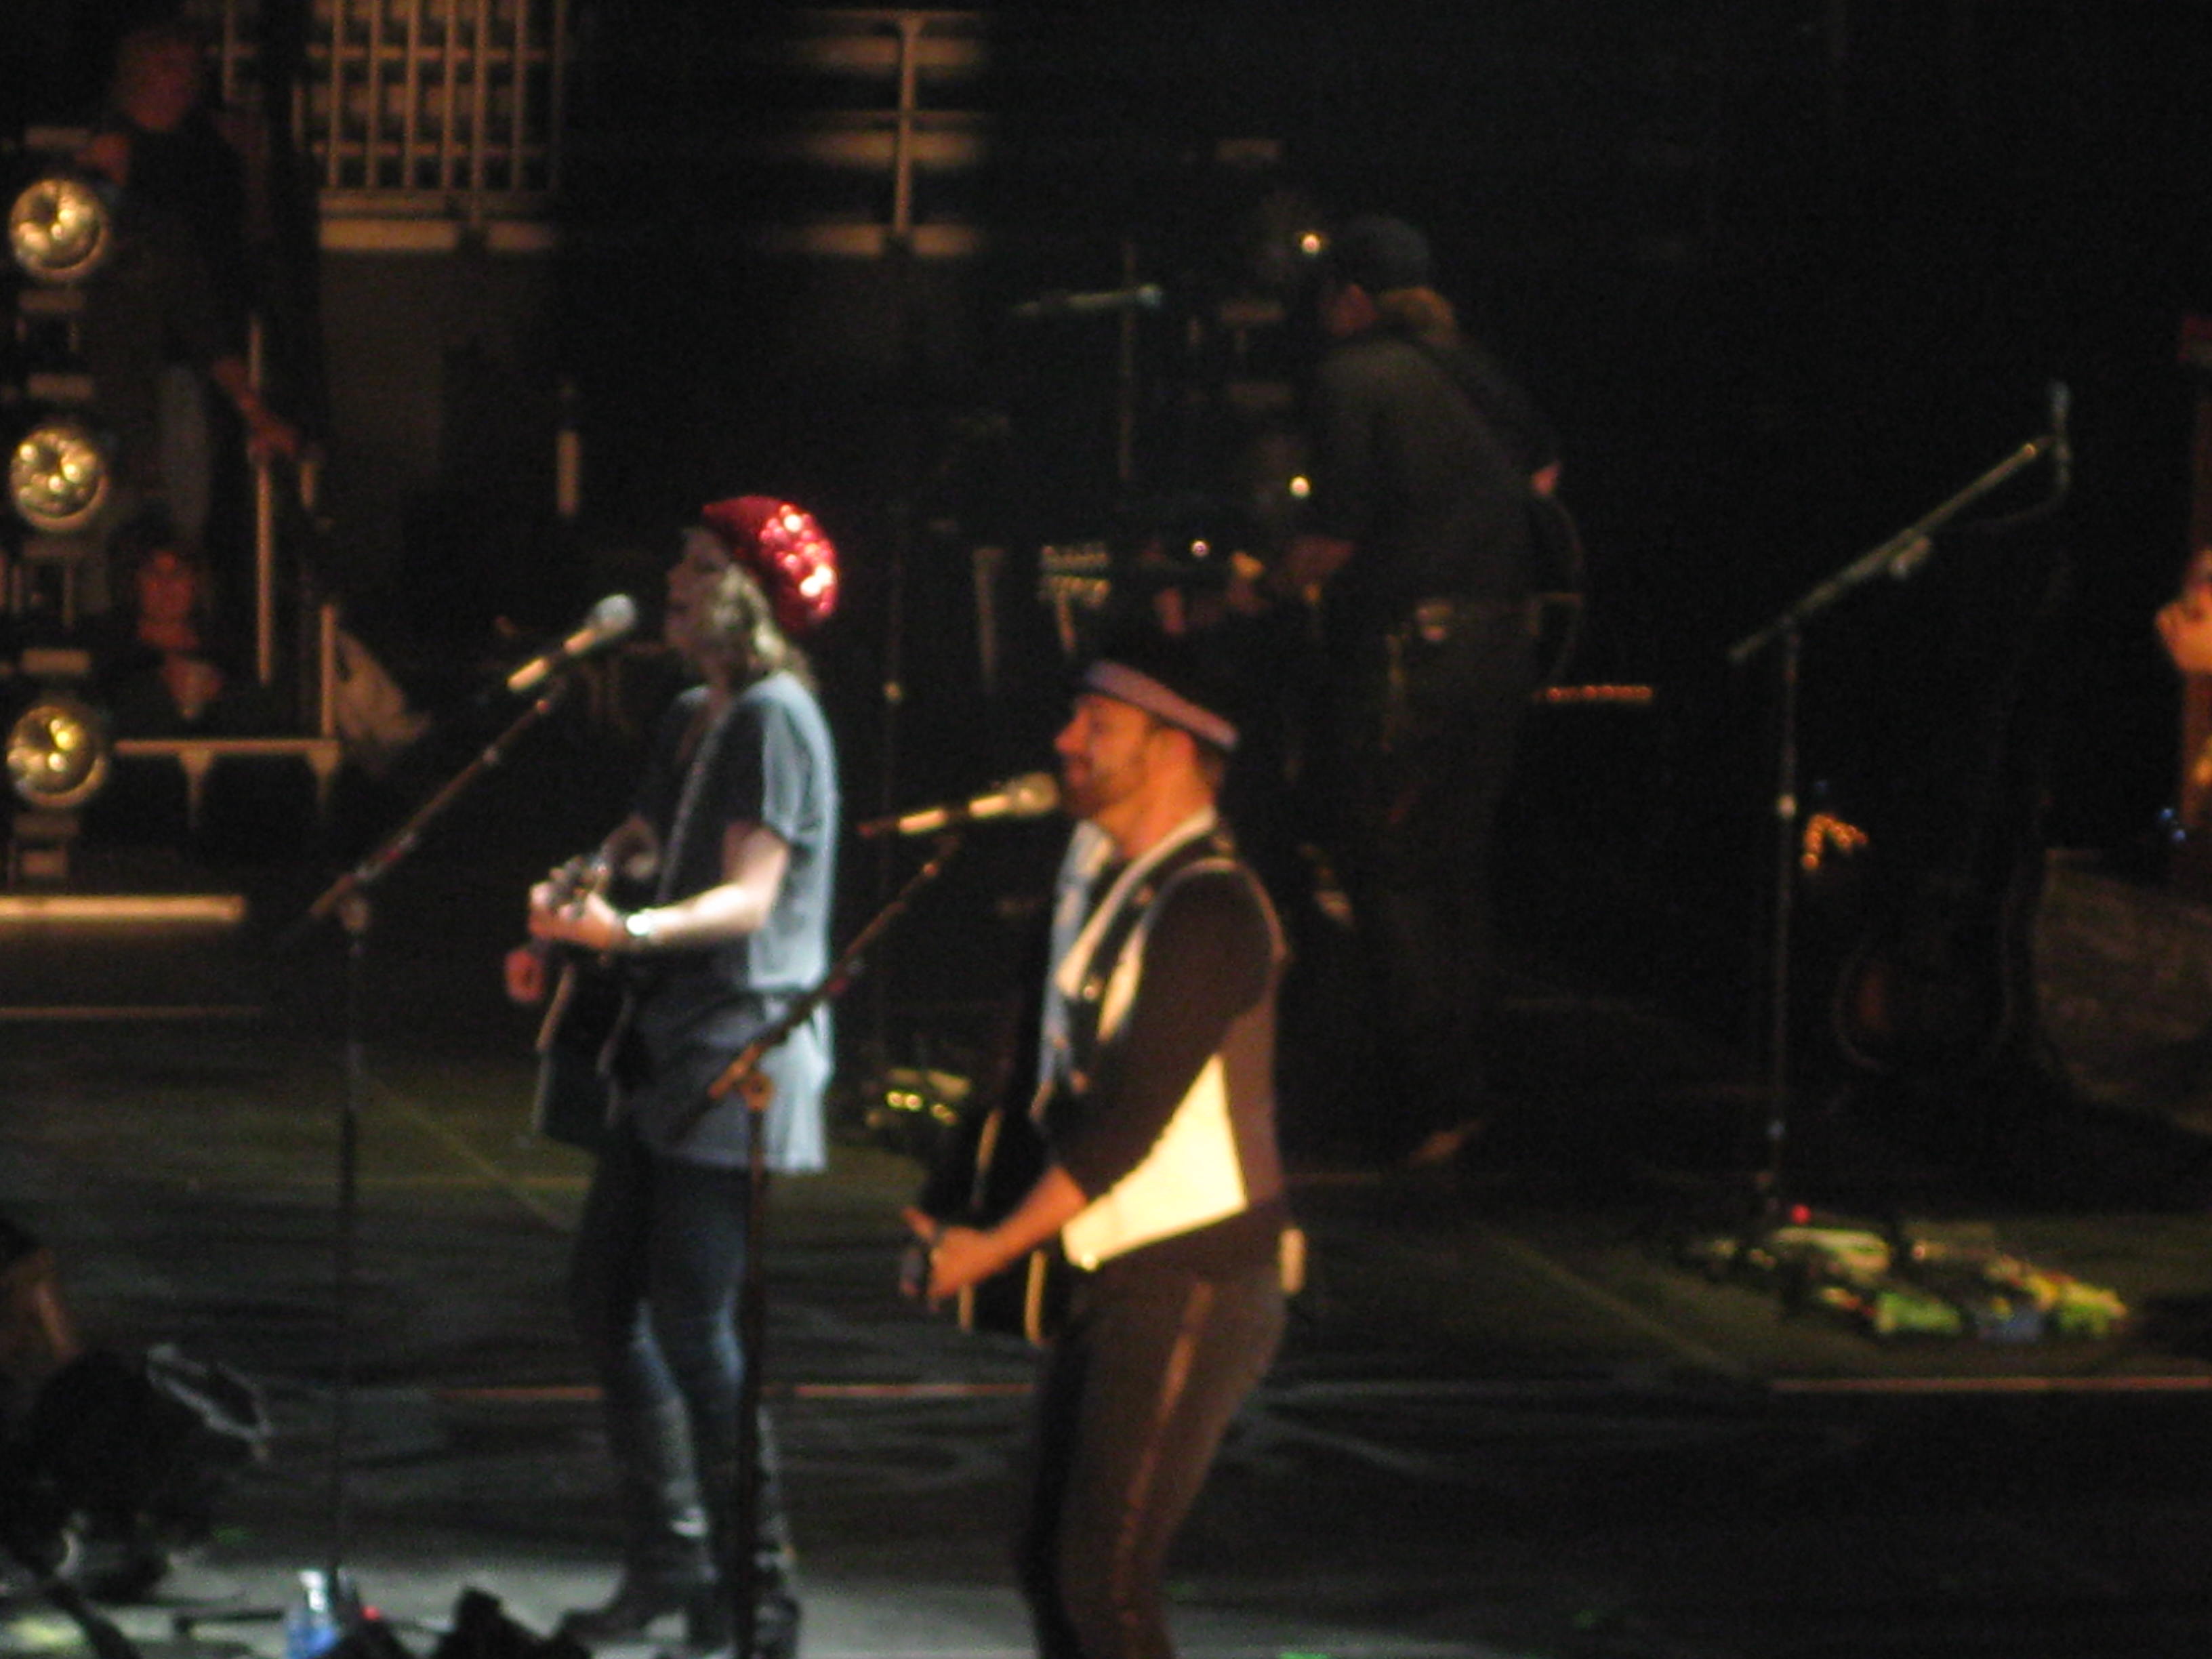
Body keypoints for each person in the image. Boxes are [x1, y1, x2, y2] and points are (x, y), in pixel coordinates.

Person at [905, 628, 1296, 1659]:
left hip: (1197, 1274)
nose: (1066, 740)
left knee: (1102, 1584)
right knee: (1049, 1561)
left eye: (1098, 724)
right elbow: (1022, 1051)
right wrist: (952, 1193)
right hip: (1115, 1268)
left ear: (1174, 749)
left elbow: (1128, 1125)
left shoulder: (1212, 911)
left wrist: (994, 1247)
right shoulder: (1092, 866)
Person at [512, 497, 840, 1659]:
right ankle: (672, 1561)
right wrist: (570, 906)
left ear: (750, 596)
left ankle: (758, 1587)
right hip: (672, 1054)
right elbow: (644, 836)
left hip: (736, 1058)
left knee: (694, 1321)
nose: (676, 582)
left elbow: (750, 898)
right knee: (607, 1298)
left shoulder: (775, 720)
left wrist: (627, 934)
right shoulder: (696, 714)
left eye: (701, 567)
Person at [1248, 213, 1563, 1168]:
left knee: (1388, 870)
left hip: (1404, 657)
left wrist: (1264, 585)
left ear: (1349, 299)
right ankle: (1461, 1089)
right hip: (1499, 642)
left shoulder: (1353, 377)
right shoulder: (1475, 370)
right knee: (1456, 866)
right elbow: (1545, 472)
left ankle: (1428, 1096)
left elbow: (1334, 537)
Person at [73, 18, 302, 607]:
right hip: (127, 345)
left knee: (184, 518)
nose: (182, 80)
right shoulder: (113, 147)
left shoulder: (212, 145)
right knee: (118, 516)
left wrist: (252, 161)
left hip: (196, 336)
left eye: (189, 67)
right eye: (167, 66)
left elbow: (245, 235)